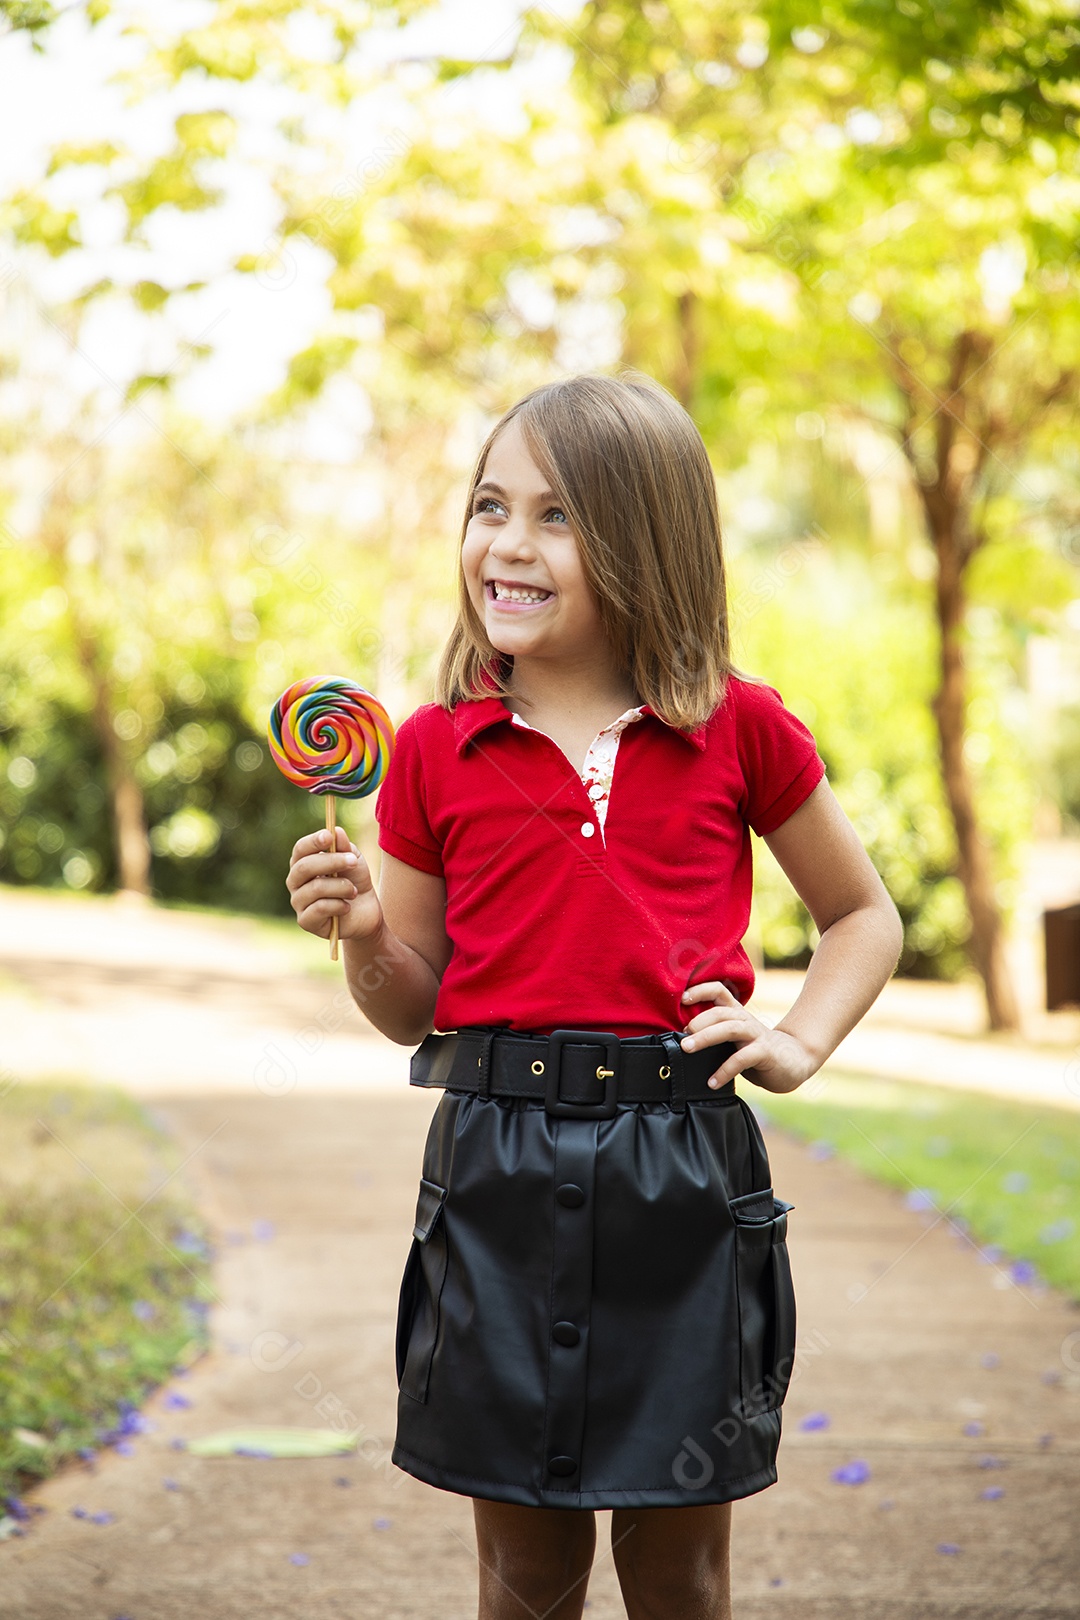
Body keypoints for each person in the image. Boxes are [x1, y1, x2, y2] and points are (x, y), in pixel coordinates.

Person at [286, 370, 903, 1620]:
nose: (506, 544)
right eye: (489, 506)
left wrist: (795, 1041)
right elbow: (413, 1002)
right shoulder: (428, 749)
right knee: (526, 1569)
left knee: (677, 1567)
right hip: (496, 1171)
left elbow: (863, 915)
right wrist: (358, 933)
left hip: (684, 1176)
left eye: (556, 516)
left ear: (647, 538)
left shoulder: (739, 727)